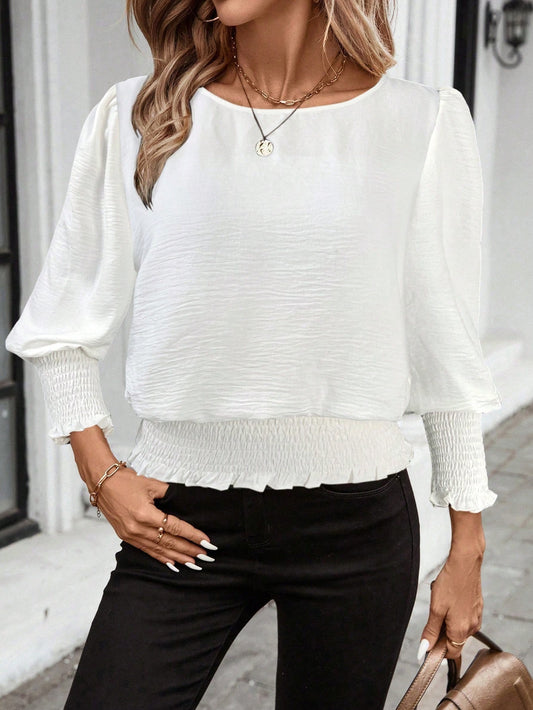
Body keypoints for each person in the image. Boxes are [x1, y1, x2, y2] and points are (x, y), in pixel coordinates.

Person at [5, 0, 503, 708]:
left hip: (354, 527)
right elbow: (61, 320)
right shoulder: (141, 115)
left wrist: (466, 544)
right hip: (180, 517)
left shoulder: (419, 123)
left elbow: (444, 350)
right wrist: (101, 472)